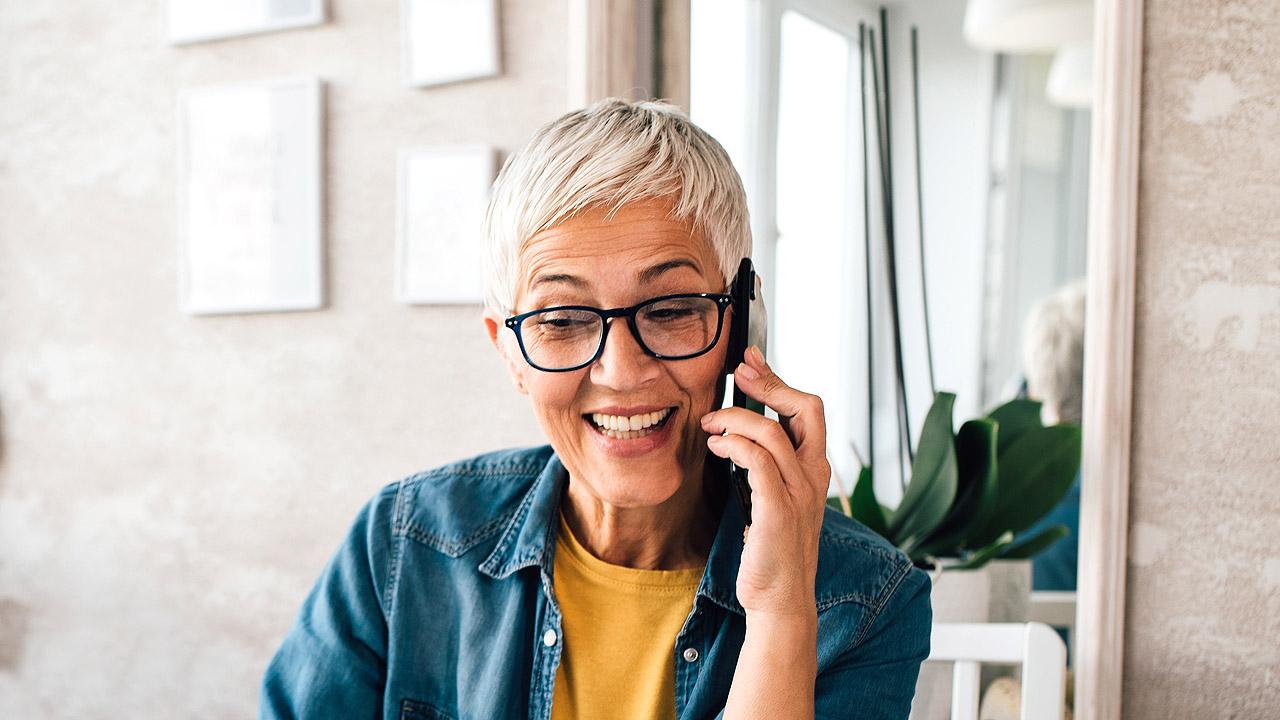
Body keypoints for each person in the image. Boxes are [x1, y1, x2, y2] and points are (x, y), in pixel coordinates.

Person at [260, 99, 931, 720]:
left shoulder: (864, 597)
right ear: (511, 354)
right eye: (562, 319)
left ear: (740, 326)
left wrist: (782, 609)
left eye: (670, 310)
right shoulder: (403, 545)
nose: (621, 371)